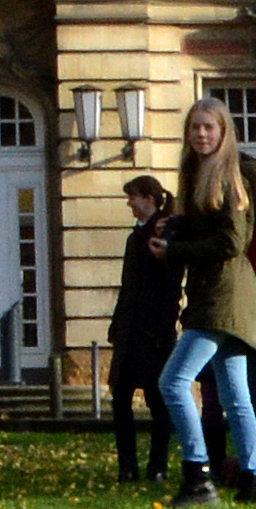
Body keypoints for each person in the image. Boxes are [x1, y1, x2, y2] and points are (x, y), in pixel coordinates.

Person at [157, 96, 256, 504]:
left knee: (172, 381)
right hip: (225, 294)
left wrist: (175, 250)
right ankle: (253, 480)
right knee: (235, 394)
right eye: (195, 128)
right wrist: (177, 228)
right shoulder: (199, 173)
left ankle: (198, 475)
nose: (201, 134)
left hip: (222, 295)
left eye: (209, 127)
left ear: (224, 132)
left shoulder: (231, 175)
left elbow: (232, 240)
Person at [103, 174, 184, 487]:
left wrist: (162, 325)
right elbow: (128, 287)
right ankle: (128, 467)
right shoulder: (133, 238)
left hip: (154, 331)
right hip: (130, 329)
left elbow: (170, 283)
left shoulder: (167, 233)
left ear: (149, 198)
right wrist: (117, 323)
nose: (129, 204)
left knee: (158, 401)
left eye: (133, 197)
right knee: (120, 399)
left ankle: (158, 466)